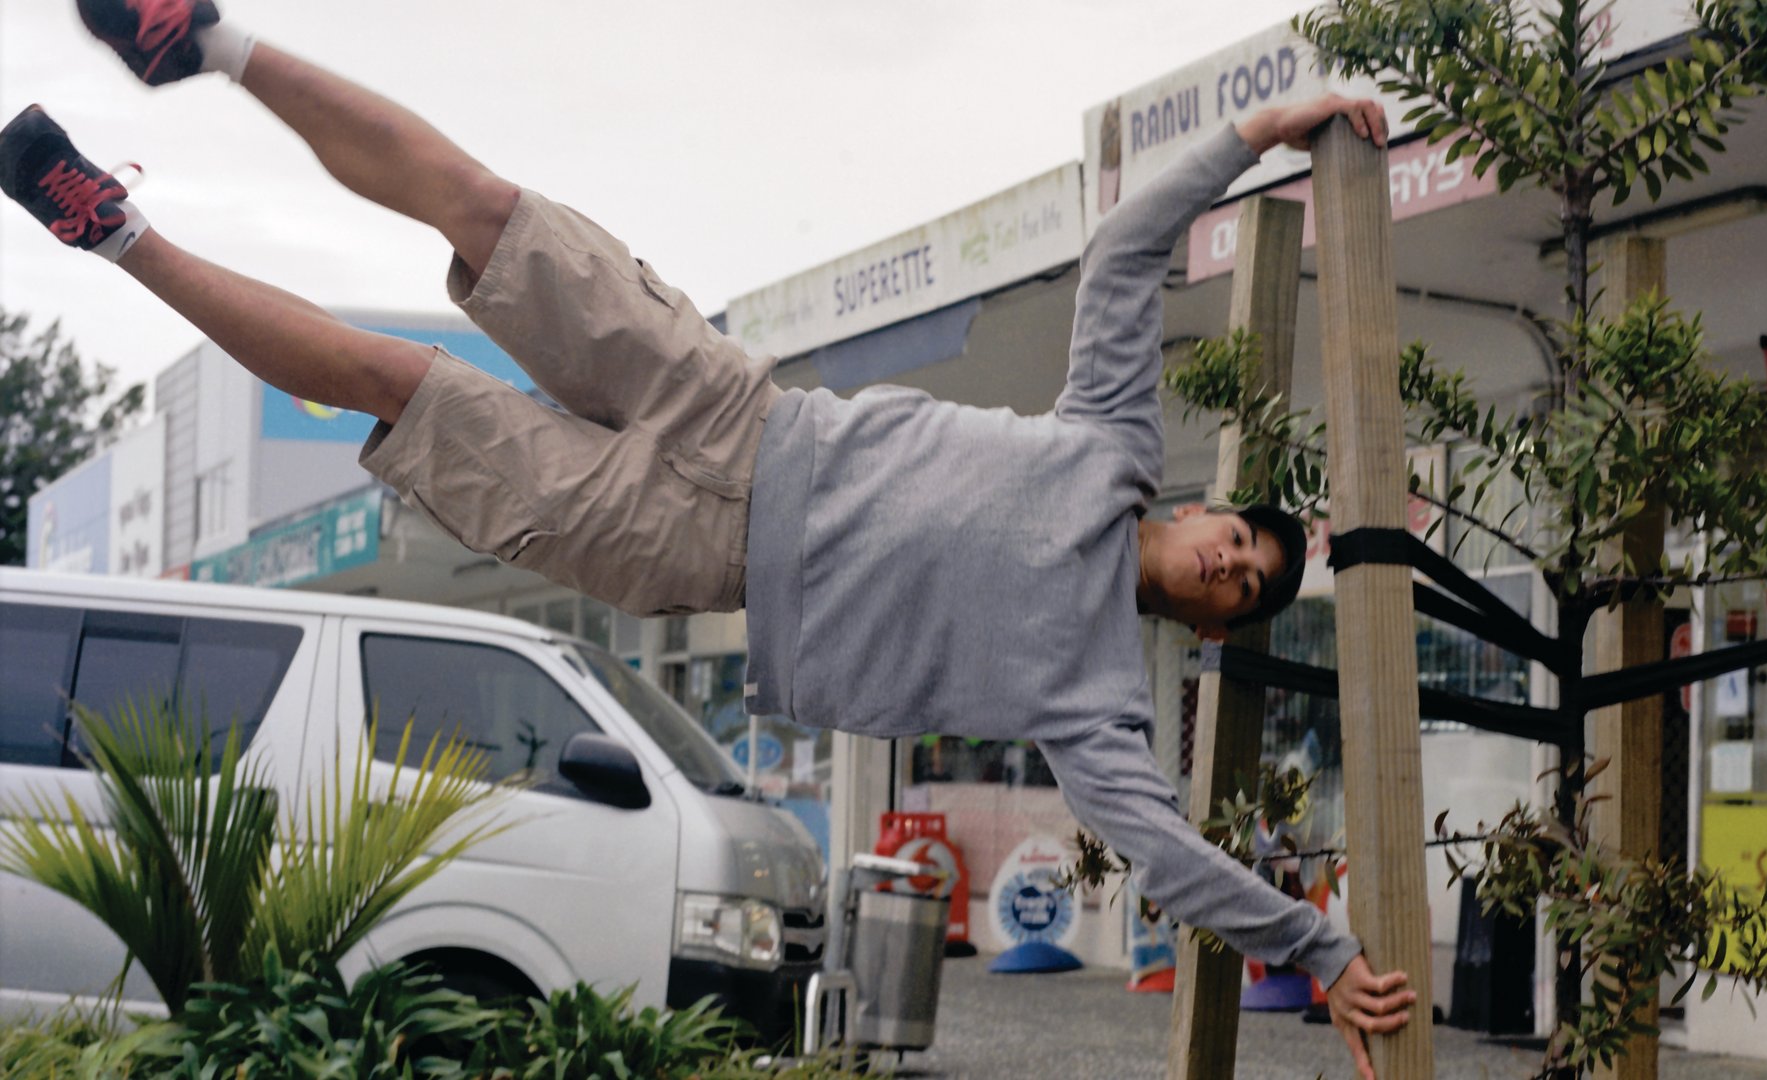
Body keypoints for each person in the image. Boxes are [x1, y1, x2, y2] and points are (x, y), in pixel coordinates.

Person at [1, 3, 1417, 1073]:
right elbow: (1118, 260)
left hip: (685, 552)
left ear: (1215, 623)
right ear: (1202, 512)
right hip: (740, 412)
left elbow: (1170, 861)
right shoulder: (1111, 443)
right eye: (1244, 538)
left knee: (395, 386)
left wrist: (1326, 948)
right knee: (493, 216)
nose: (1234, 563)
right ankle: (206, 40)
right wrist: (1254, 136)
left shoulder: (1094, 702)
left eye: (1247, 590)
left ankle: (111, 232)